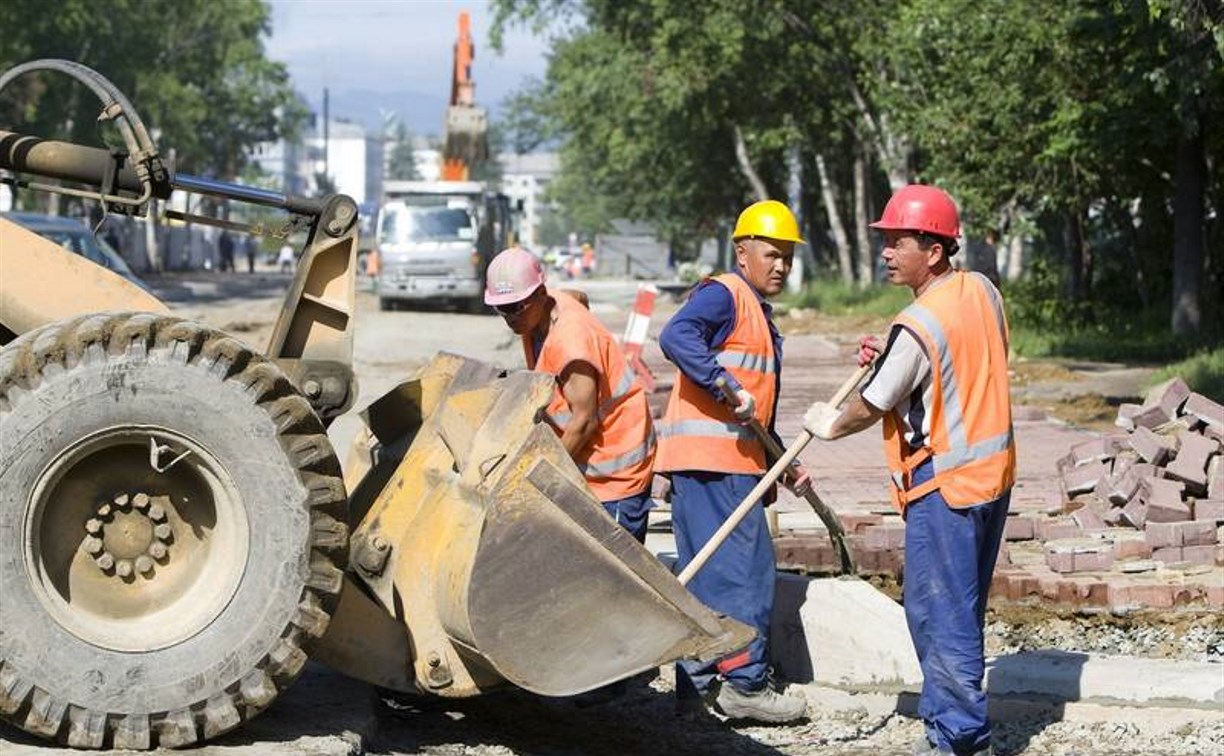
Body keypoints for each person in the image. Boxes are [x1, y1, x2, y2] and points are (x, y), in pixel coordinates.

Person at [802, 185, 1014, 756]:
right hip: (993, 476)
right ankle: (956, 723)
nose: (888, 252)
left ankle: (960, 738)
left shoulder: (920, 322)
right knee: (961, 609)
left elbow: (872, 404)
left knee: (937, 612)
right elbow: (955, 360)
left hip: (945, 485)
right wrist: (893, 350)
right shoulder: (982, 291)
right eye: (887, 241)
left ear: (936, 250)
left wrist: (829, 424)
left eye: (899, 241)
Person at [655, 199, 811, 724]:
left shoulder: (753, 311)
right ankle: (745, 685)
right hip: (715, 463)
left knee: (704, 575)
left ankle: (693, 683)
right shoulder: (725, 295)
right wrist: (723, 384)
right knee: (746, 574)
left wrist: (782, 460)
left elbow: (753, 406)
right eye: (771, 254)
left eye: (787, 257)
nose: (781, 266)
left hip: (720, 462)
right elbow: (676, 336)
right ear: (742, 252)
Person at [484, 247, 657, 542]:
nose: (510, 317)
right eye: (502, 308)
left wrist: (541, 475)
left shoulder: (570, 342)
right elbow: (578, 297)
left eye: (516, 307)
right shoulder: (545, 309)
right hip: (587, 463)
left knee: (614, 572)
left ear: (540, 294)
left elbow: (585, 423)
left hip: (615, 469)